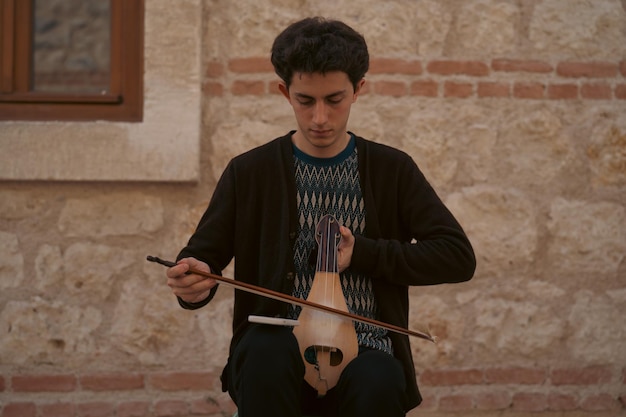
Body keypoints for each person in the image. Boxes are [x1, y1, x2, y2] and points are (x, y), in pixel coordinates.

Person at [166, 17, 476, 417]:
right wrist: (195, 277)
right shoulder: (250, 172)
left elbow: (456, 256)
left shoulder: (392, 170)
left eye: (334, 99)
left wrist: (362, 253)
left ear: (357, 90)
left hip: (368, 345)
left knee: (379, 379)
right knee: (268, 351)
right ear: (284, 92)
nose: (319, 119)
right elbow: (204, 257)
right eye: (305, 101)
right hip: (274, 348)